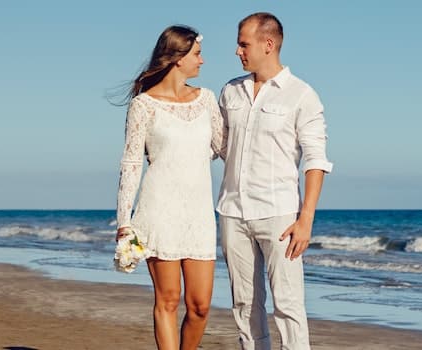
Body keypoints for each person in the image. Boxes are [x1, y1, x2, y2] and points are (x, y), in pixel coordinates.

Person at [216, 12, 332, 350]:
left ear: (268, 45)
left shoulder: (301, 95)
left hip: (280, 215)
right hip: (233, 212)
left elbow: (316, 160)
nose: (238, 51)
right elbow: (220, 146)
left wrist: (305, 219)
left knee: (288, 305)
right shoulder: (230, 92)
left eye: (243, 44)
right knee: (244, 305)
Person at [115, 25, 224, 350]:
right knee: (168, 300)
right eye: (197, 54)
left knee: (201, 306)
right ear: (177, 58)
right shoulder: (143, 105)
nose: (202, 62)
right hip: (158, 211)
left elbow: (222, 147)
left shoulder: (207, 99)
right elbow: (131, 163)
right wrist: (124, 222)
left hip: (199, 215)